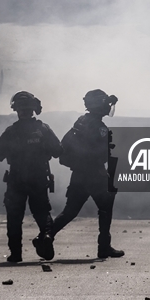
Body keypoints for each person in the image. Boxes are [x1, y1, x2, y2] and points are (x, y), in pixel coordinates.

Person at [50, 89, 124, 259]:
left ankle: (46, 237)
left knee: (70, 211)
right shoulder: (100, 128)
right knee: (105, 209)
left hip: (78, 174)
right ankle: (104, 247)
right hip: (95, 174)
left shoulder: (81, 121)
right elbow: (101, 153)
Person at [0, 91, 62, 263]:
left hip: (16, 179)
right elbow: (58, 151)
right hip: (38, 177)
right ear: (33, 110)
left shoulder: (11, 131)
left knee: (14, 217)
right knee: (42, 213)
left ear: (16, 110)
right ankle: (46, 237)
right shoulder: (43, 129)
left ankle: (16, 254)